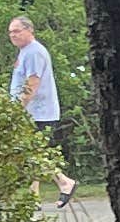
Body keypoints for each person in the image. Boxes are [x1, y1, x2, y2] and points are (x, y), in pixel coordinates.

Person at [8, 15, 77, 204]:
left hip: (39, 112)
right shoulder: (25, 52)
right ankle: (34, 195)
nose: (13, 35)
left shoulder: (33, 52)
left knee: (34, 153)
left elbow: (33, 82)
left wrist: (18, 108)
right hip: (32, 112)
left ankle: (64, 182)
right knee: (32, 152)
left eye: (17, 31)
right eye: (10, 32)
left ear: (29, 31)